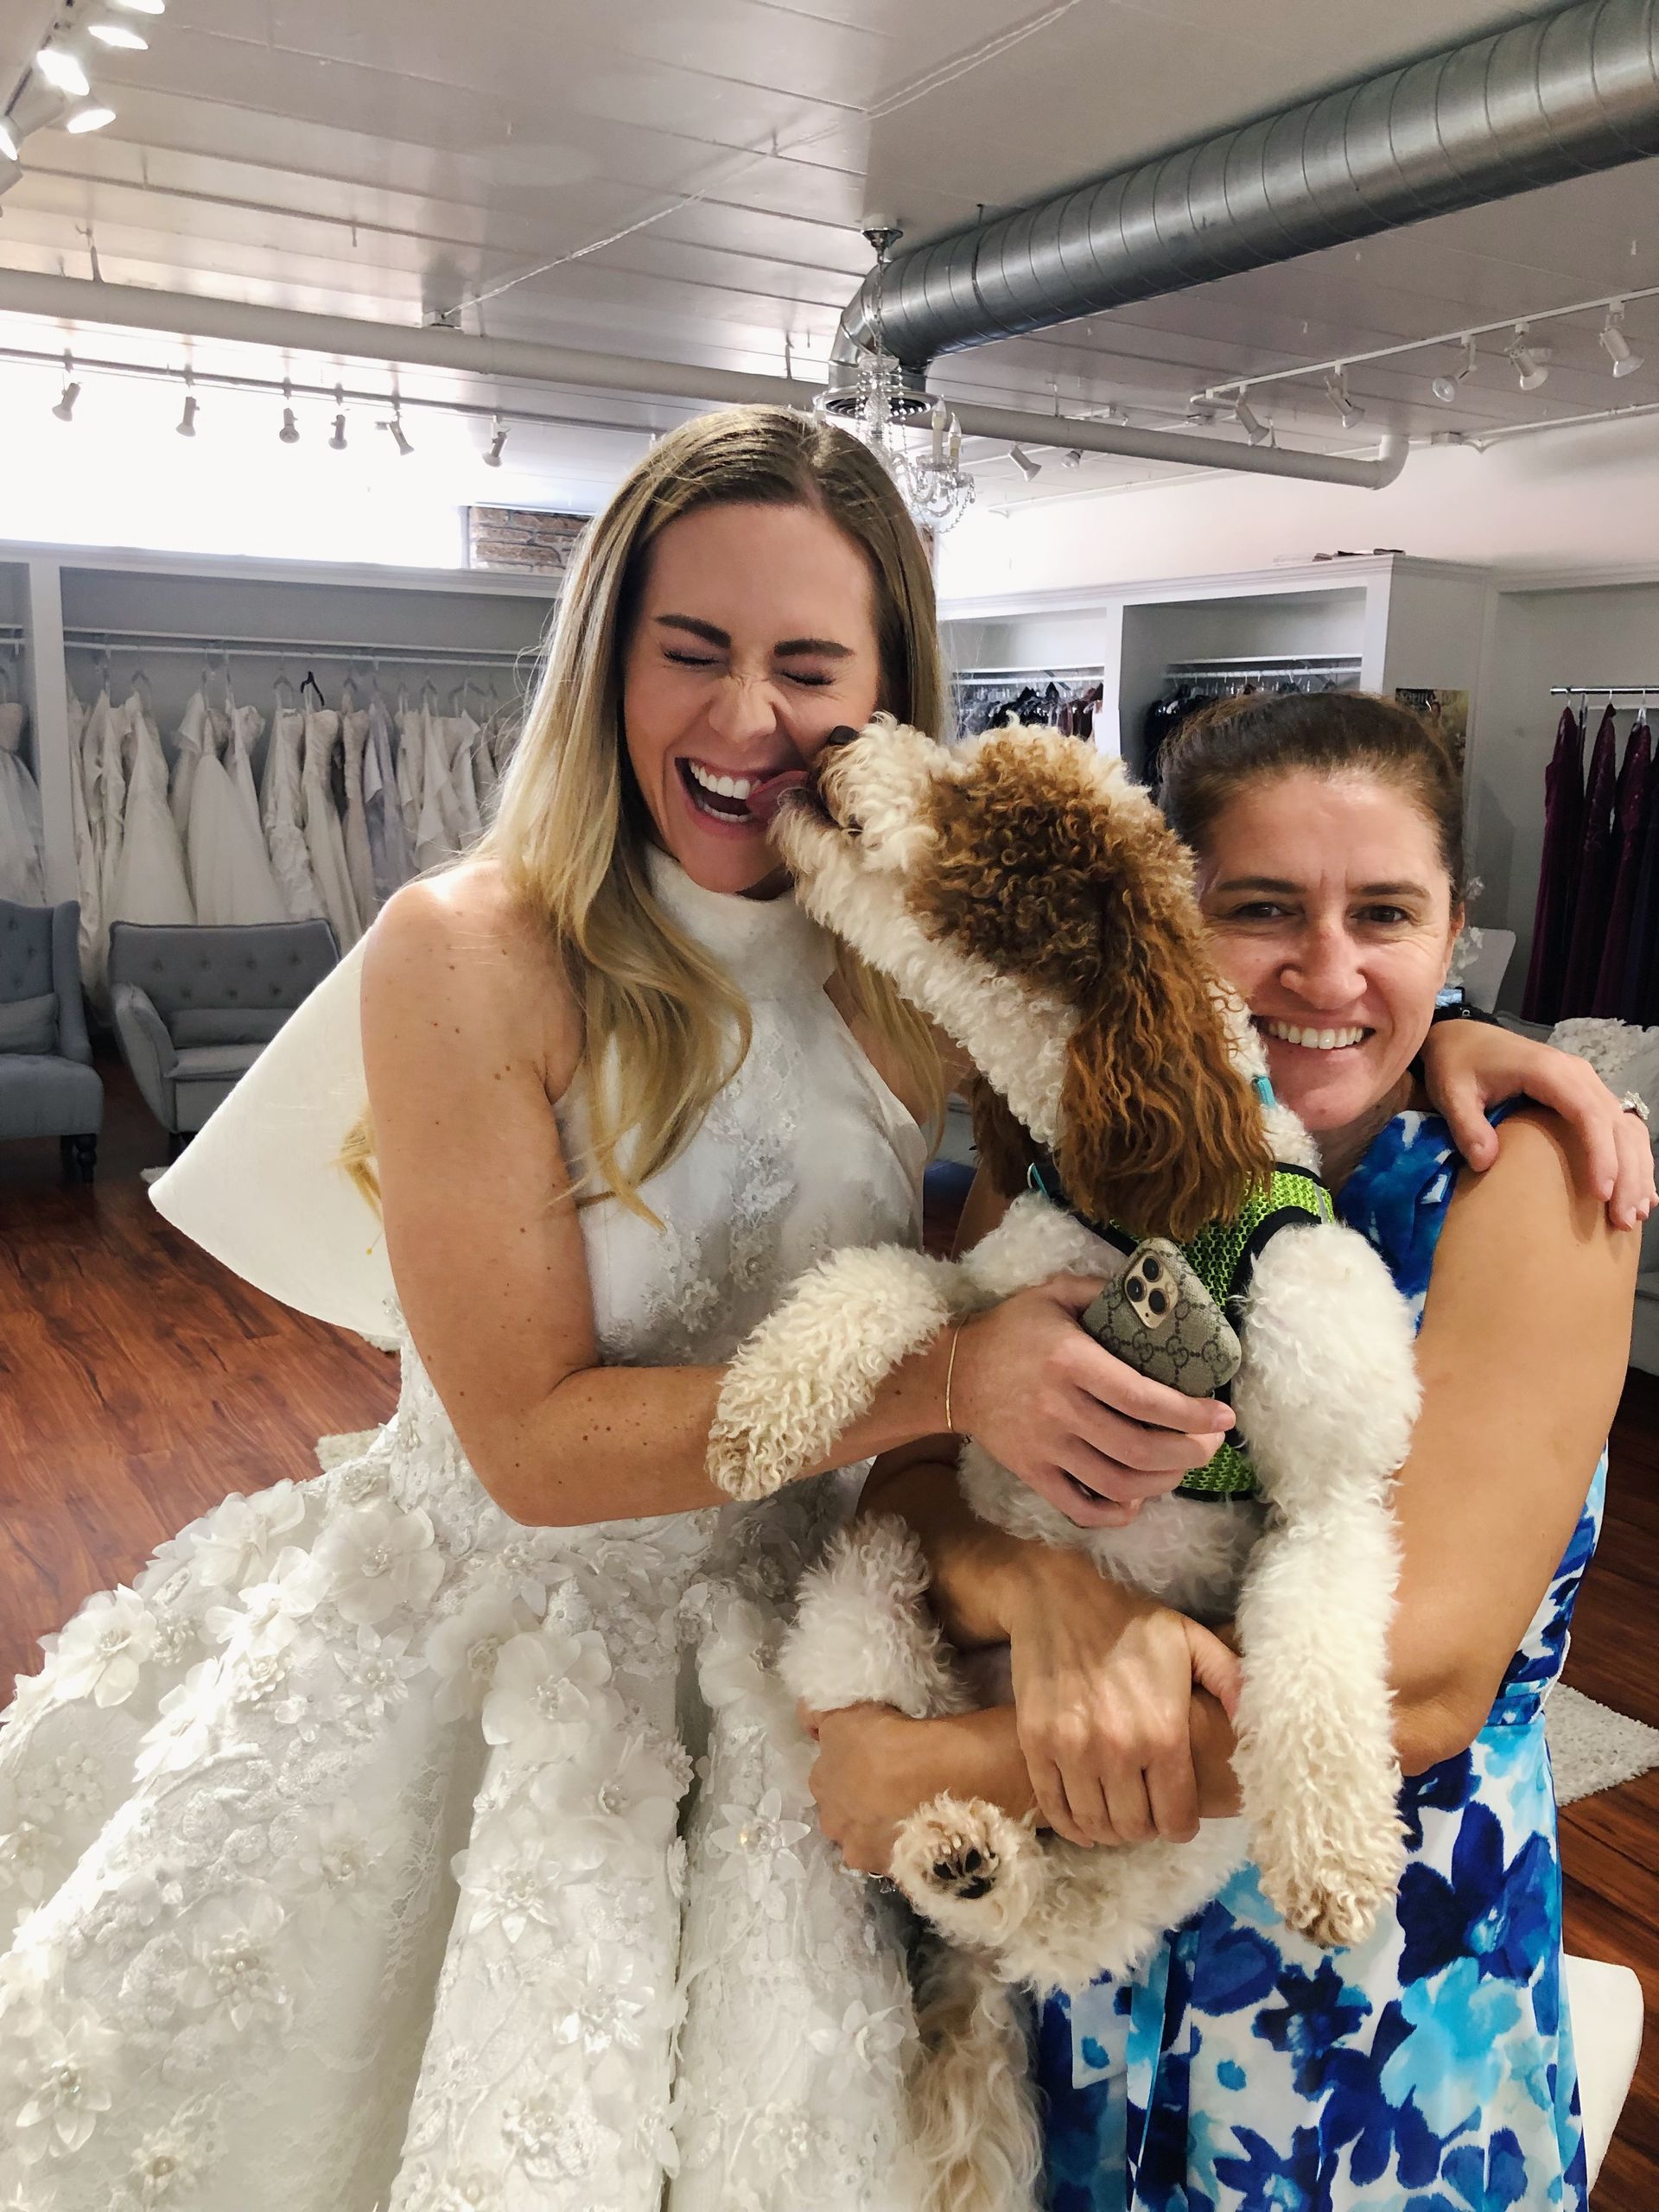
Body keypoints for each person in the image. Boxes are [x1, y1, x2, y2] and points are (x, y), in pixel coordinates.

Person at [0, 414, 1646, 2212]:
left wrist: (1452, 1040)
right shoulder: (470, 947)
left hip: (826, 1643)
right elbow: (539, 1440)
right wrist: (954, 1384)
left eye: (807, 666)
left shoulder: (907, 953)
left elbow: (1166, 1053)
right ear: (607, 656)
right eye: (689, 651)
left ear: (882, 695)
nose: (741, 719)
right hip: (533, 1660)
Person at [804, 689, 1647, 2211]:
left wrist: (933, 1767)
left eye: (1384, 913)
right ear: (1168, 928)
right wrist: (1038, 1591)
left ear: (1454, 933)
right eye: (1262, 910)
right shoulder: (1070, 1167)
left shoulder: (1526, 1185)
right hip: (1073, 1978)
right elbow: (921, 1468)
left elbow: (1424, 1672)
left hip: (1364, 1996)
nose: (1328, 969)